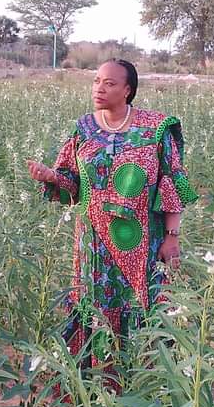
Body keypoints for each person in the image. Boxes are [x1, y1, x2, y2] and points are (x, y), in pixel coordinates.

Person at [26, 59, 198, 386]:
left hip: (142, 242)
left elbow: (173, 182)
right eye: (96, 81)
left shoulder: (155, 129)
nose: (99, 88)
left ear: (128, 90)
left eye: (109, 83)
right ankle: (100, 381)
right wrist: (51, 176)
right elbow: (71, 183)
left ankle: (149, 381)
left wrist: (172, 236)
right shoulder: (84, 129)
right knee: (96, 304)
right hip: (93, 243)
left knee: (142, 302)